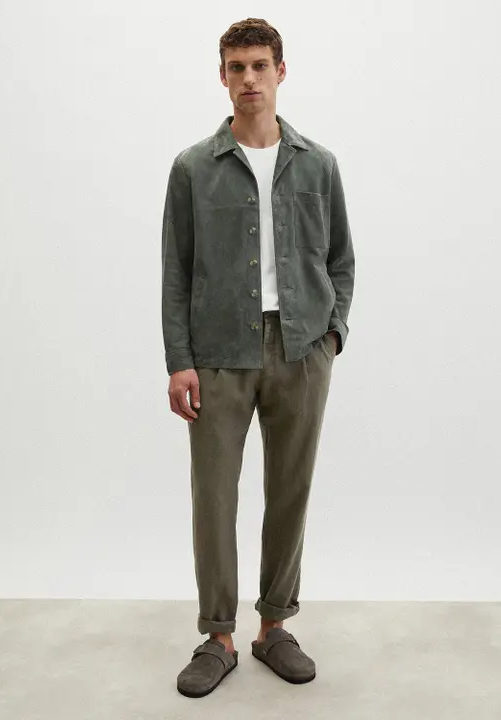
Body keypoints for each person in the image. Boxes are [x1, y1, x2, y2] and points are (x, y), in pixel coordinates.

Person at [161, 17, 354, 699]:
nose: (249, 78)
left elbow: (341, 260)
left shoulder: (318, 164)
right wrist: (179, 360)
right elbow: (175, 272)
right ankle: (217, 636)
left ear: (280, 72)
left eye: (260, 66)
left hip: (301, 349)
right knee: (213, 496)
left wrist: (332, 335)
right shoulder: (192, 168)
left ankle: (274, 627)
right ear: (222, 77)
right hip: (218, 353)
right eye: (237, 67)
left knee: (290, 491)